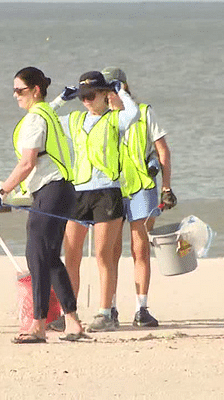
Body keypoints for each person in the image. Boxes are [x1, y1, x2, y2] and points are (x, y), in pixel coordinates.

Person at [0, 66, 88, 344]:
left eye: (20, 90)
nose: (15, 96)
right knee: (50, 258)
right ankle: (73, 322)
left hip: (52, 191)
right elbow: (51, 110)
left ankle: (38, 325)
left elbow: (27, 162)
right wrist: (60, 99)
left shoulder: (36, 118)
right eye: (13, 91)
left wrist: (1, 191)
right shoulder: (46, 112)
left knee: (36, 257)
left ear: (35, 90)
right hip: (62, 191)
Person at [55, 71, 140, 333]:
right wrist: (61, 98)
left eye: (92, 95)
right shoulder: (75, 120)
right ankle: (68, 313)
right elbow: (40, 119)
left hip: (106, 192)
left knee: (104, 255)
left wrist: (121, 91)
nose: (86, 101)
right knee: (71, 254)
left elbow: (133, 114)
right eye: (82, 97)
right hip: (79, 191)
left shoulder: (115, 119)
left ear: (105, 95)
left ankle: (106, 312)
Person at [102, 66, 177, 328]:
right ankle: (109, 308)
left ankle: (141, 308)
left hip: (142, 187)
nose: (108, 94)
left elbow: (163, 152)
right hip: (110, 189)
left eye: (112, 88)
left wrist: (166, 187)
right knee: (109, 250)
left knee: (140, 248)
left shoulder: (145, 113)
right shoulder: (100, 117)